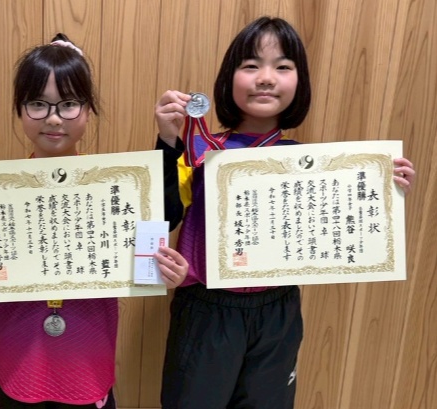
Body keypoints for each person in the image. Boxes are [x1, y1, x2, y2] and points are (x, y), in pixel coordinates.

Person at [153, 16, 416, 409]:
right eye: (251, 65)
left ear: (300, 81)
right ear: (228, 79)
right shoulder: (201, 150)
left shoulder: (312, 165)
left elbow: (342, 231)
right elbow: (162, 215)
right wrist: (167, 139)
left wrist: (384, 189)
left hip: (278, 310)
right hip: (207, 310)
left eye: (282, 66)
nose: (265, 78)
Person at [0, 33, 188, 408]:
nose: (53, 118)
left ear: (88, 110)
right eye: (38, 104)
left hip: (87, 360)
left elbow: (157, 232)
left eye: (68, 104)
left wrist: (166, 271)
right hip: (19, 361)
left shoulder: (114, 189)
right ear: (20, 109)